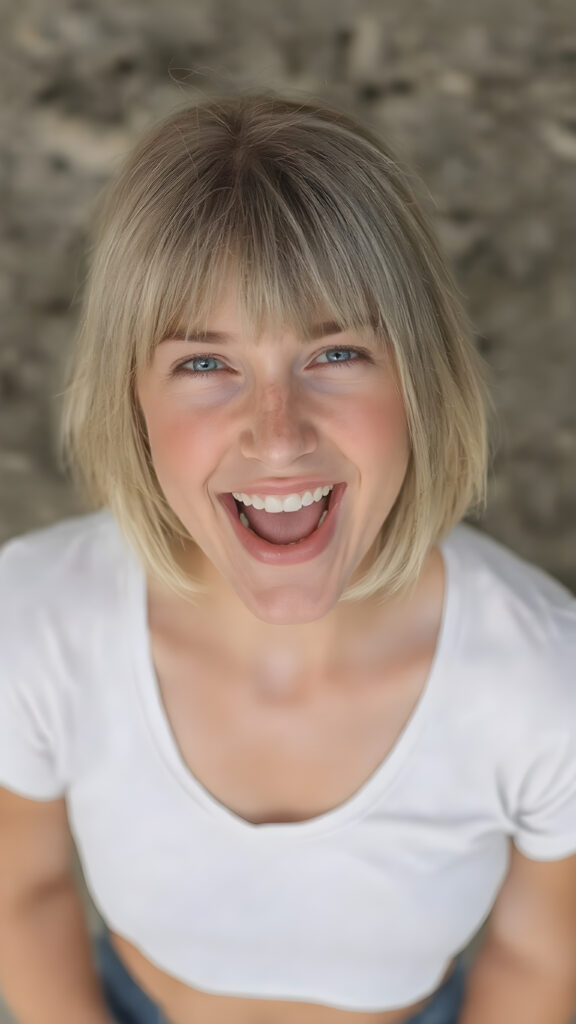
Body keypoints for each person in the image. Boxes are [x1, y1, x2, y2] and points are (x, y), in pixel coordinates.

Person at [0, 91, 575, 1024]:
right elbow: (22, 892)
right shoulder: (37, 622)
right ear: (130, 401)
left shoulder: (546, 685)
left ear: (421, 379)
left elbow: (534, 953)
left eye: (335, 354)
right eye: (204, 364)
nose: (276, 434)